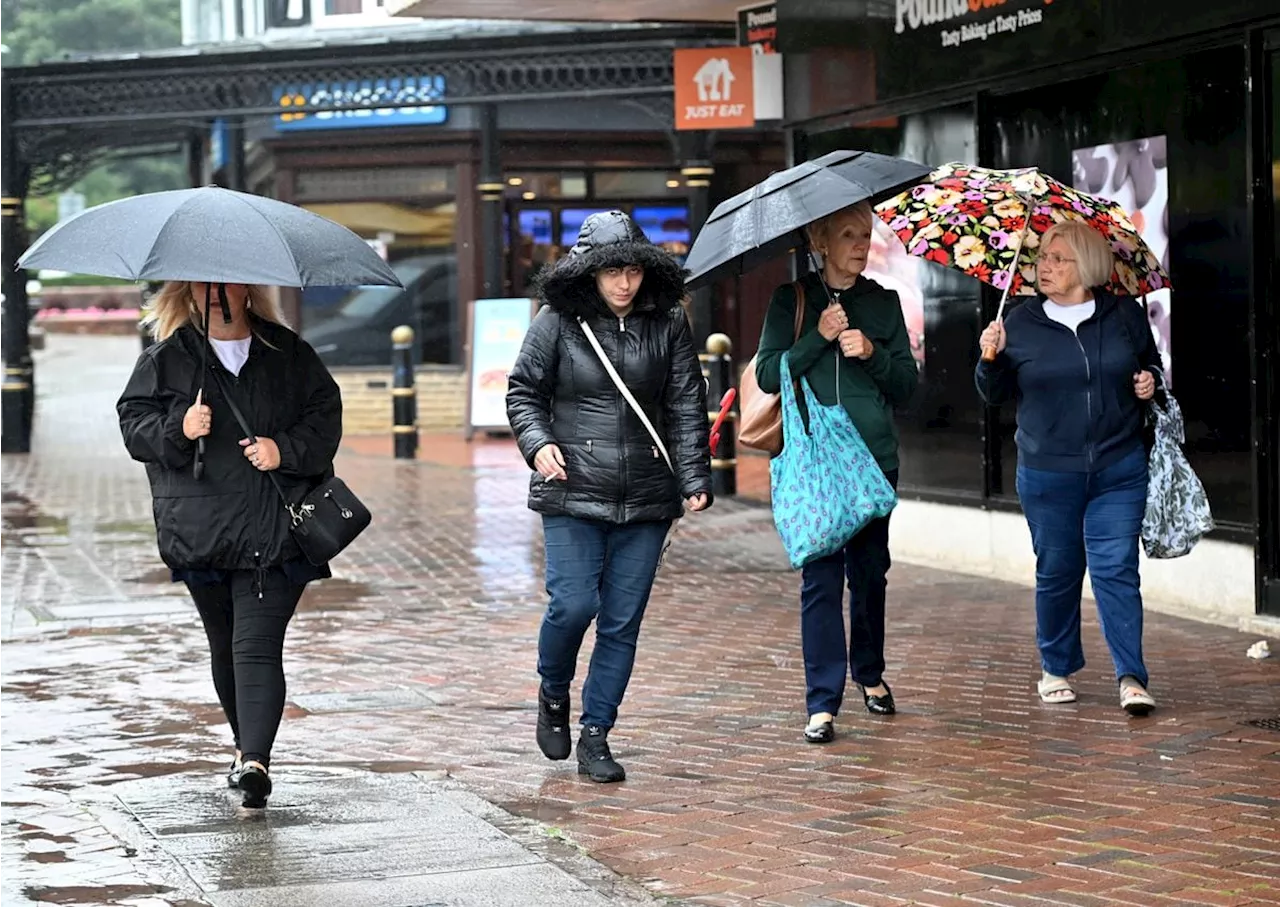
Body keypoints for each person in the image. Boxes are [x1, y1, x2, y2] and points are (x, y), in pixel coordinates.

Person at [117, 282, 342, 807]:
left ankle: (257, 761)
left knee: (256, 646)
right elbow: (134, 428)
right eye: (203, 282)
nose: (217, 292)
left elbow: (324, 417)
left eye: (229, 282)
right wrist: (180, 425)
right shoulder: (167, 360)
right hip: (203, 529)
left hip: (276, 529)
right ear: (189, 294)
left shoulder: (288, 354)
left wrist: (280, 448)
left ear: (249, 290)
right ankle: (245, 752)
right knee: (225, 645)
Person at [506, 210, 712, 783]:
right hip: (572, 488)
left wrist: (694, 478)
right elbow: (523, 391)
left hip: (647, 493)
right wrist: (538, 443)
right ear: (588, 274)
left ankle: (597, 733)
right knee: (573, 605)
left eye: (632, 271)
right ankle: (553, 689)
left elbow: (686, 403)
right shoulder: (557, 322)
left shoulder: (667, 323)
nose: (624, 283)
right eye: (611, 272)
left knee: (622, 622)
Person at [975, 219, 1160, 716]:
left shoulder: (1123, 315)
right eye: (1043, 258)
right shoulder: (1018, 321)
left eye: (1059, 258)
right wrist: (989, 358)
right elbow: (993, 396)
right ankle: (1055, 667)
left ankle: (1131, 677)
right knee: (1058, 570)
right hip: (1048, 470)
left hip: (1119, 466)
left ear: (1089, 266)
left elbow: (1151, 367)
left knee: (1117, 569)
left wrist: (1148, 383)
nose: (1045, 266)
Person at [754, 201, 919, 744]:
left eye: (865, 234)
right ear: (820, 243)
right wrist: (816, 338)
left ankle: (869, 674)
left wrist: (870, 351)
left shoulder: (883, 302)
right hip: (815, 463)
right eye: (847, 234)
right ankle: (822, 702)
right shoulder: (792, 300)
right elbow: (768, 374)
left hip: (873, 458)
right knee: (820, 581)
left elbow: (907, 387)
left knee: (870, 576)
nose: (859, 244)